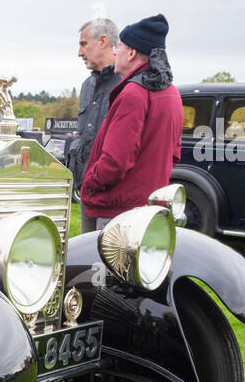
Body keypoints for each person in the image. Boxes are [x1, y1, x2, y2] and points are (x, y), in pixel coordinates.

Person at [79, 14, 183, 231]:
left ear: (132, 52)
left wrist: (89, 182)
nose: (115, 52)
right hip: (148, 208)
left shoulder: (133, 94)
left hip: (118, 211)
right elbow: (174, 153)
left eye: (119, 47)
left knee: (100, 265)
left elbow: (115, 162)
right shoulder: (172, 93)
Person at [68, 18, 121, 200]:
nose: (79, 53)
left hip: (114, 193)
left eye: (84, 44)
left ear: (103, 41)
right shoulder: (87, 85)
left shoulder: (126, 85)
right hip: (87, 190)